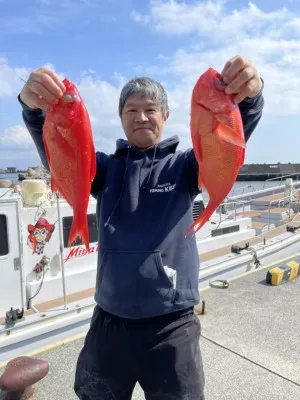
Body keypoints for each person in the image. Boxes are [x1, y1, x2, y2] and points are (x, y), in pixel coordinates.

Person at [18, 55, 264, 400]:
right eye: (131, 110)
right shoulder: (104, 169)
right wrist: (34, 110)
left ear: (165, 116)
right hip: (109, 321)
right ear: (120, 119)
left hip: (172, 326)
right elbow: (62, 151)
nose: (141, 117)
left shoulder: (186, 167)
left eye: (151, 109)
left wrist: (249, 99)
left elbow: (228, 140)